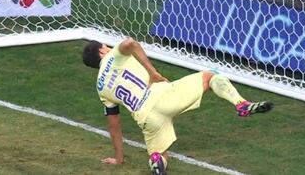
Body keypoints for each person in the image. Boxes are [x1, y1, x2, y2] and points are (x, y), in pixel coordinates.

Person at [82, 37, 273, 175]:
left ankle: (157, 161)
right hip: (162, 96)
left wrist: (119, 158)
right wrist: (153, 72)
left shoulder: (100, 88)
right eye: (106, 46)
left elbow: (113, 125)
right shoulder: (115, 54)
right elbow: (130, 43)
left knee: (160, 155)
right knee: (210, 76)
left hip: (146, 118)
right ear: (102, 50)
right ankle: (240, 104)